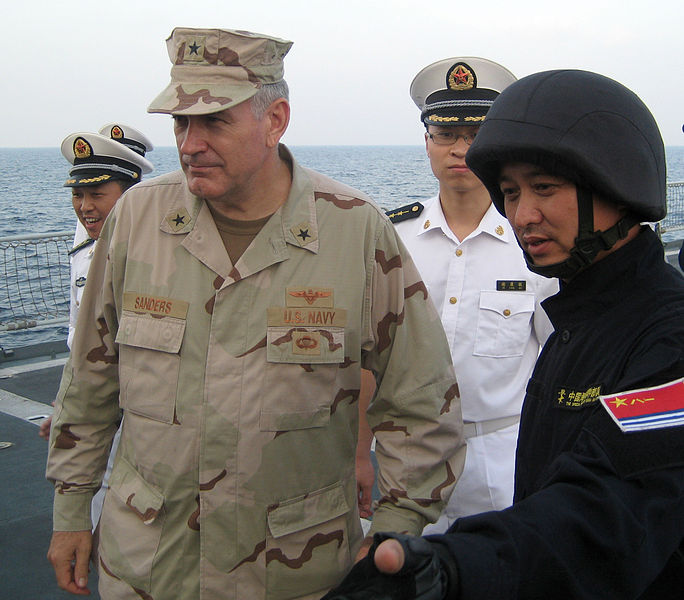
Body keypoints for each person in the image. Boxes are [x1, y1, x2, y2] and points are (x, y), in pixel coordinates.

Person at [45, 27, 465, 599]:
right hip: (151, 566)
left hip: (293, 571)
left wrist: (396, 525)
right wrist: (71, 505)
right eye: (180, 123)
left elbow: (422, 397)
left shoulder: (353, 230)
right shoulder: (137, 220)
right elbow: (90, 375)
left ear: (275, 120)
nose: (190, 144)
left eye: (214, 121)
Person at [323, 69, 684, 599]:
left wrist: (456, 568)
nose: (522, 214)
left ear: (614, 181)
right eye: (511, 193)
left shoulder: (666, 336)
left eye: (544, 188)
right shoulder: (584, 319)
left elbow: (610, 509)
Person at [375, 58, 556, 530]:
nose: (459, 149)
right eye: (445, 135)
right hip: (402, 460)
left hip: (503, 460)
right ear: (428, 142)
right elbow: (366, 354)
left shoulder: (534, 242)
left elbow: (561, 356)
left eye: (475, 134)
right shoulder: (392, 239)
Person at [38, 130, 152, 441]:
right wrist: (69, 405)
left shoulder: (155, 258)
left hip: (144, 414)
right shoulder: (87, 253)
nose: (85, 206)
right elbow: (81, 339)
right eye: (77, 195)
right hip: (97, 407)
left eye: (97, 195)